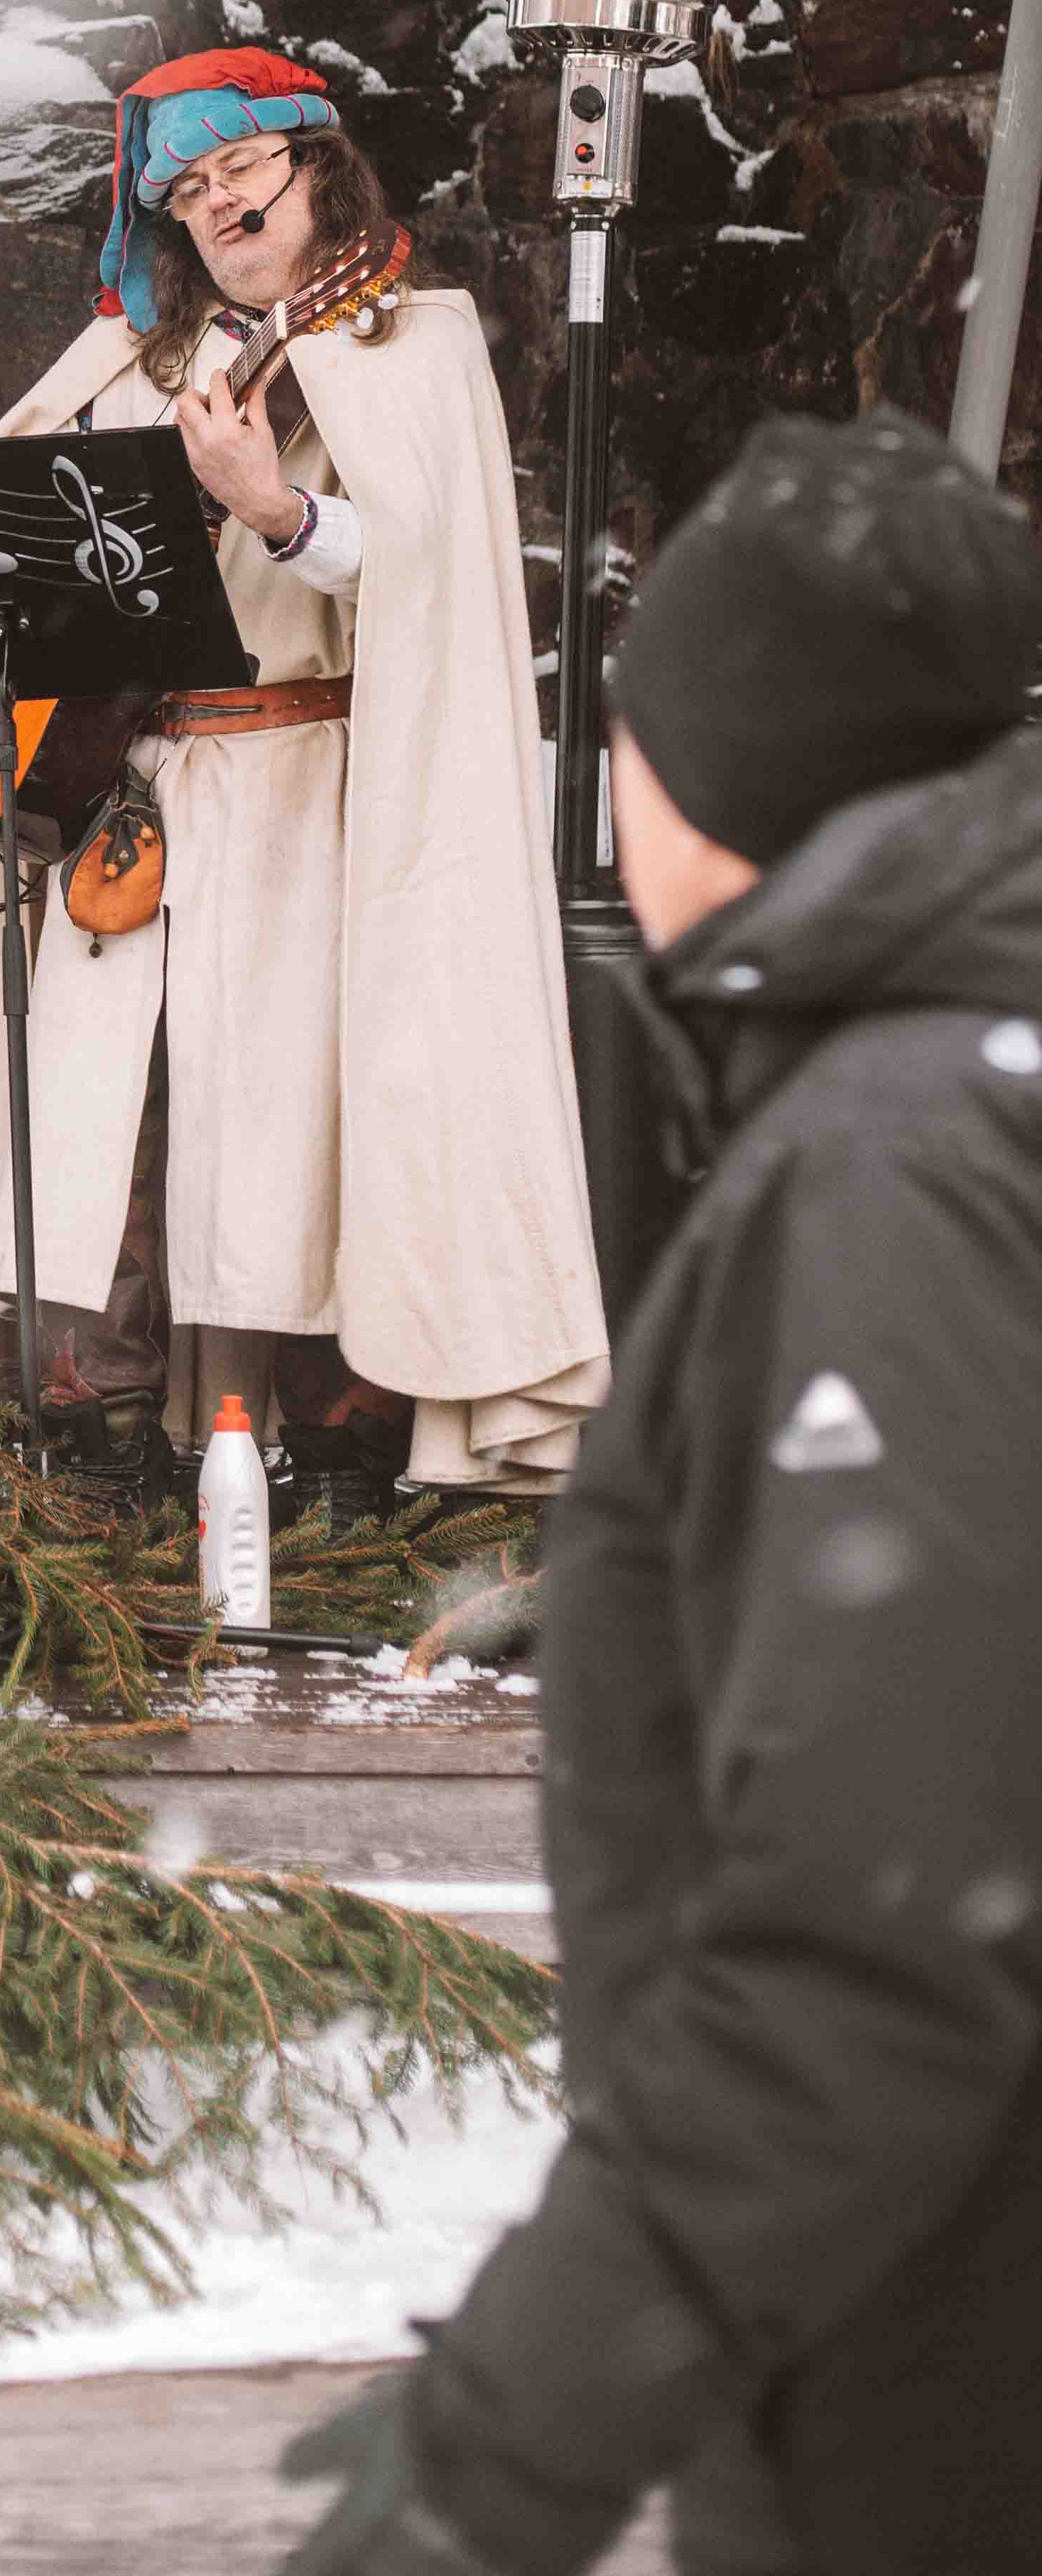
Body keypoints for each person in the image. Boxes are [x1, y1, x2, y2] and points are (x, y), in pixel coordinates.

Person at [278, 408, 1042, 2576]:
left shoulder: (896, 1161)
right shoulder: (971, 1068)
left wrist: (511, 2434)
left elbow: (880, 1937)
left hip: (936, 2360)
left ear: (720, 772)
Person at [0, 43, 607, 1492]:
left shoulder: (417, 343)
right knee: (119, 1124)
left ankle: (289, 1458)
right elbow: (31, 514)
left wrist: (275, 511)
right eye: (190, 190)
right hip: (135, 788)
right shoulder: (145, 352)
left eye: (243, 171)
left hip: (305, 790)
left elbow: (425, 580)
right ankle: (136, 1447)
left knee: (274, 1139)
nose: (221, 205)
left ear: (313, 169)